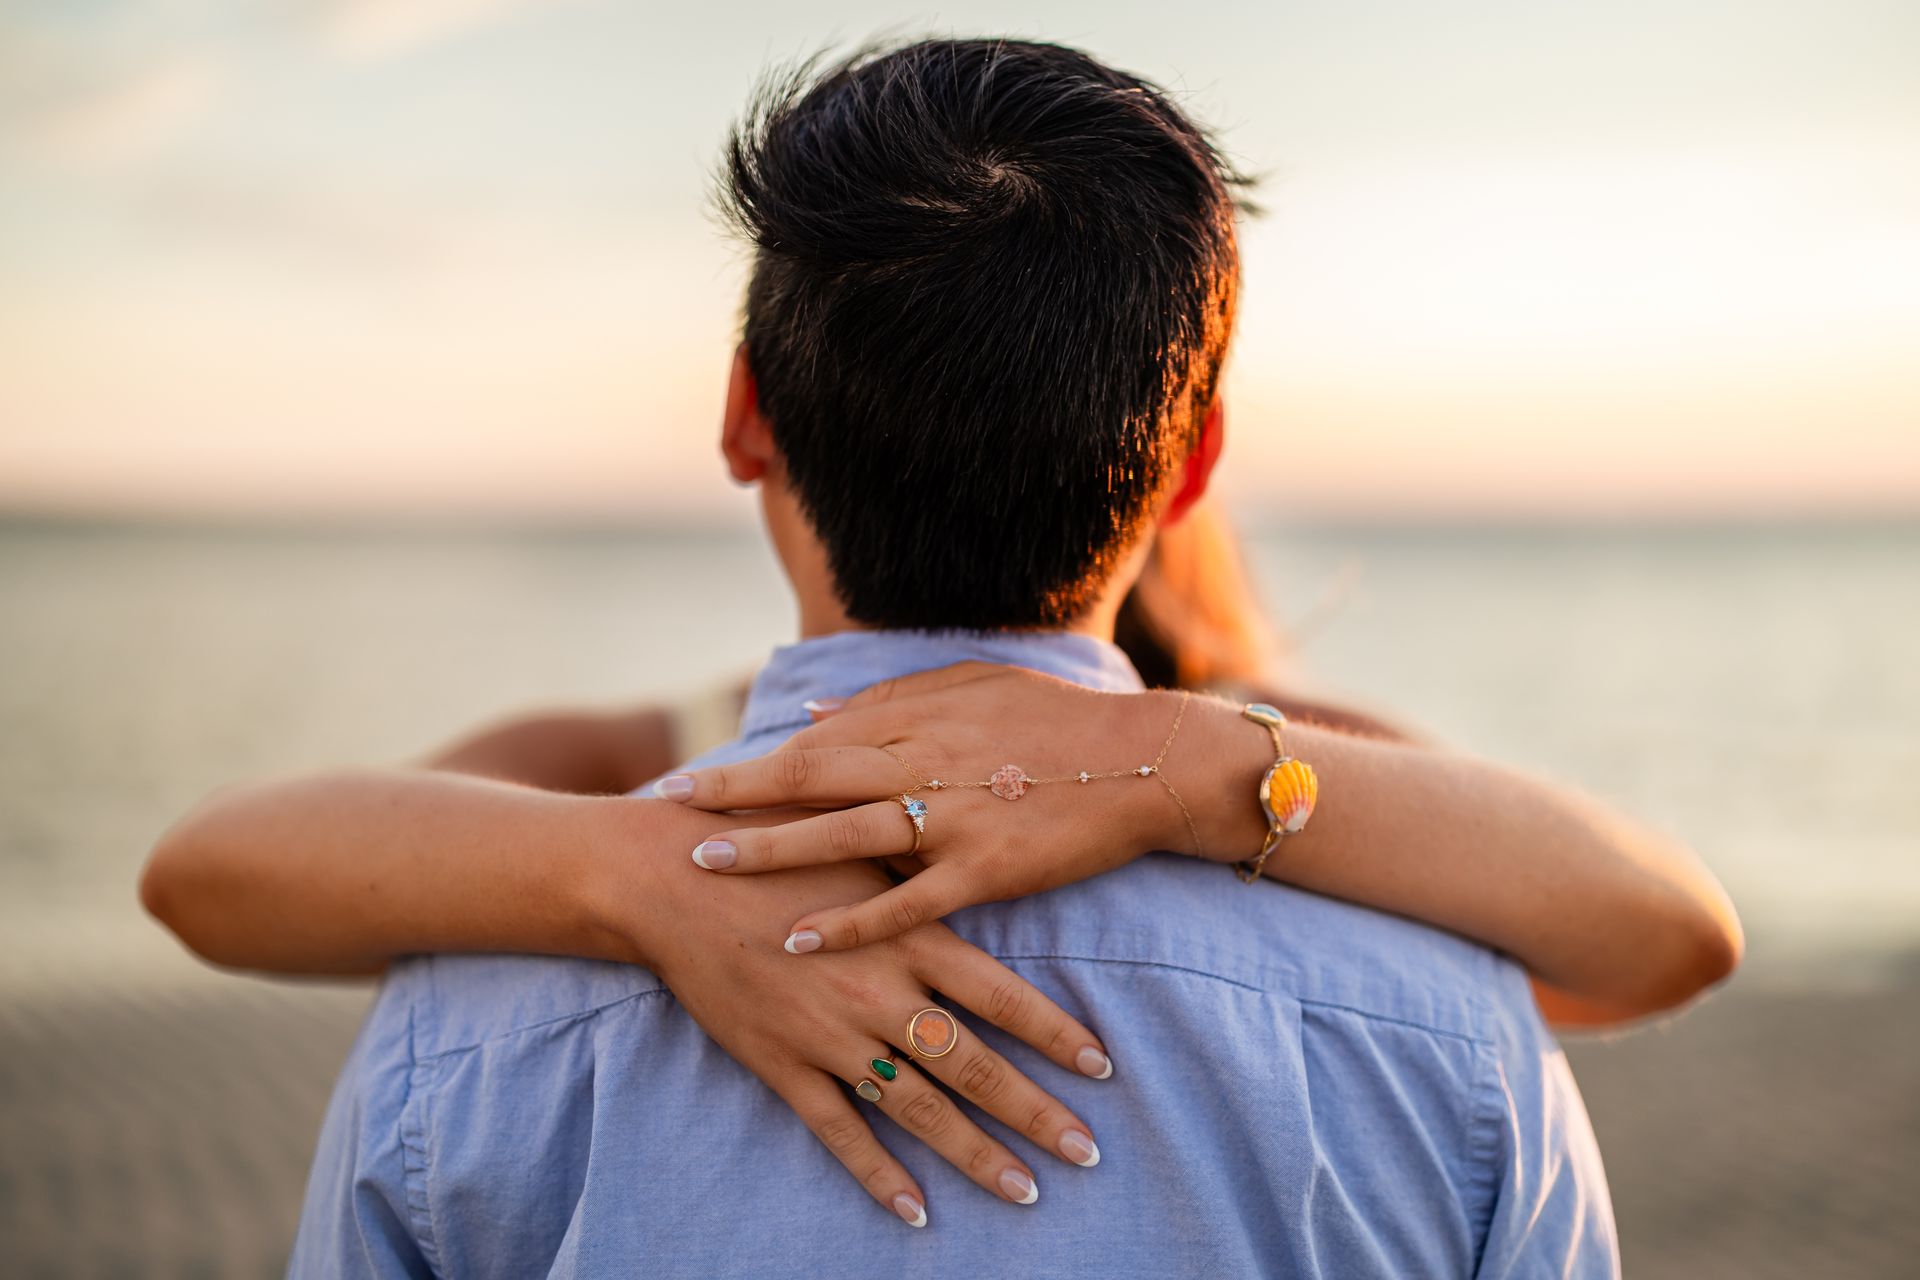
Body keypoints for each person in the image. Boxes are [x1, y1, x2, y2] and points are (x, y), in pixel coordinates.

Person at [140, 38, 1741, 1277]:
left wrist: (1191, 768)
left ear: (744, 413)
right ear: (1192, 465)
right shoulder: (1443, 1008)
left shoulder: (460, 1038)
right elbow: (1642, 938)